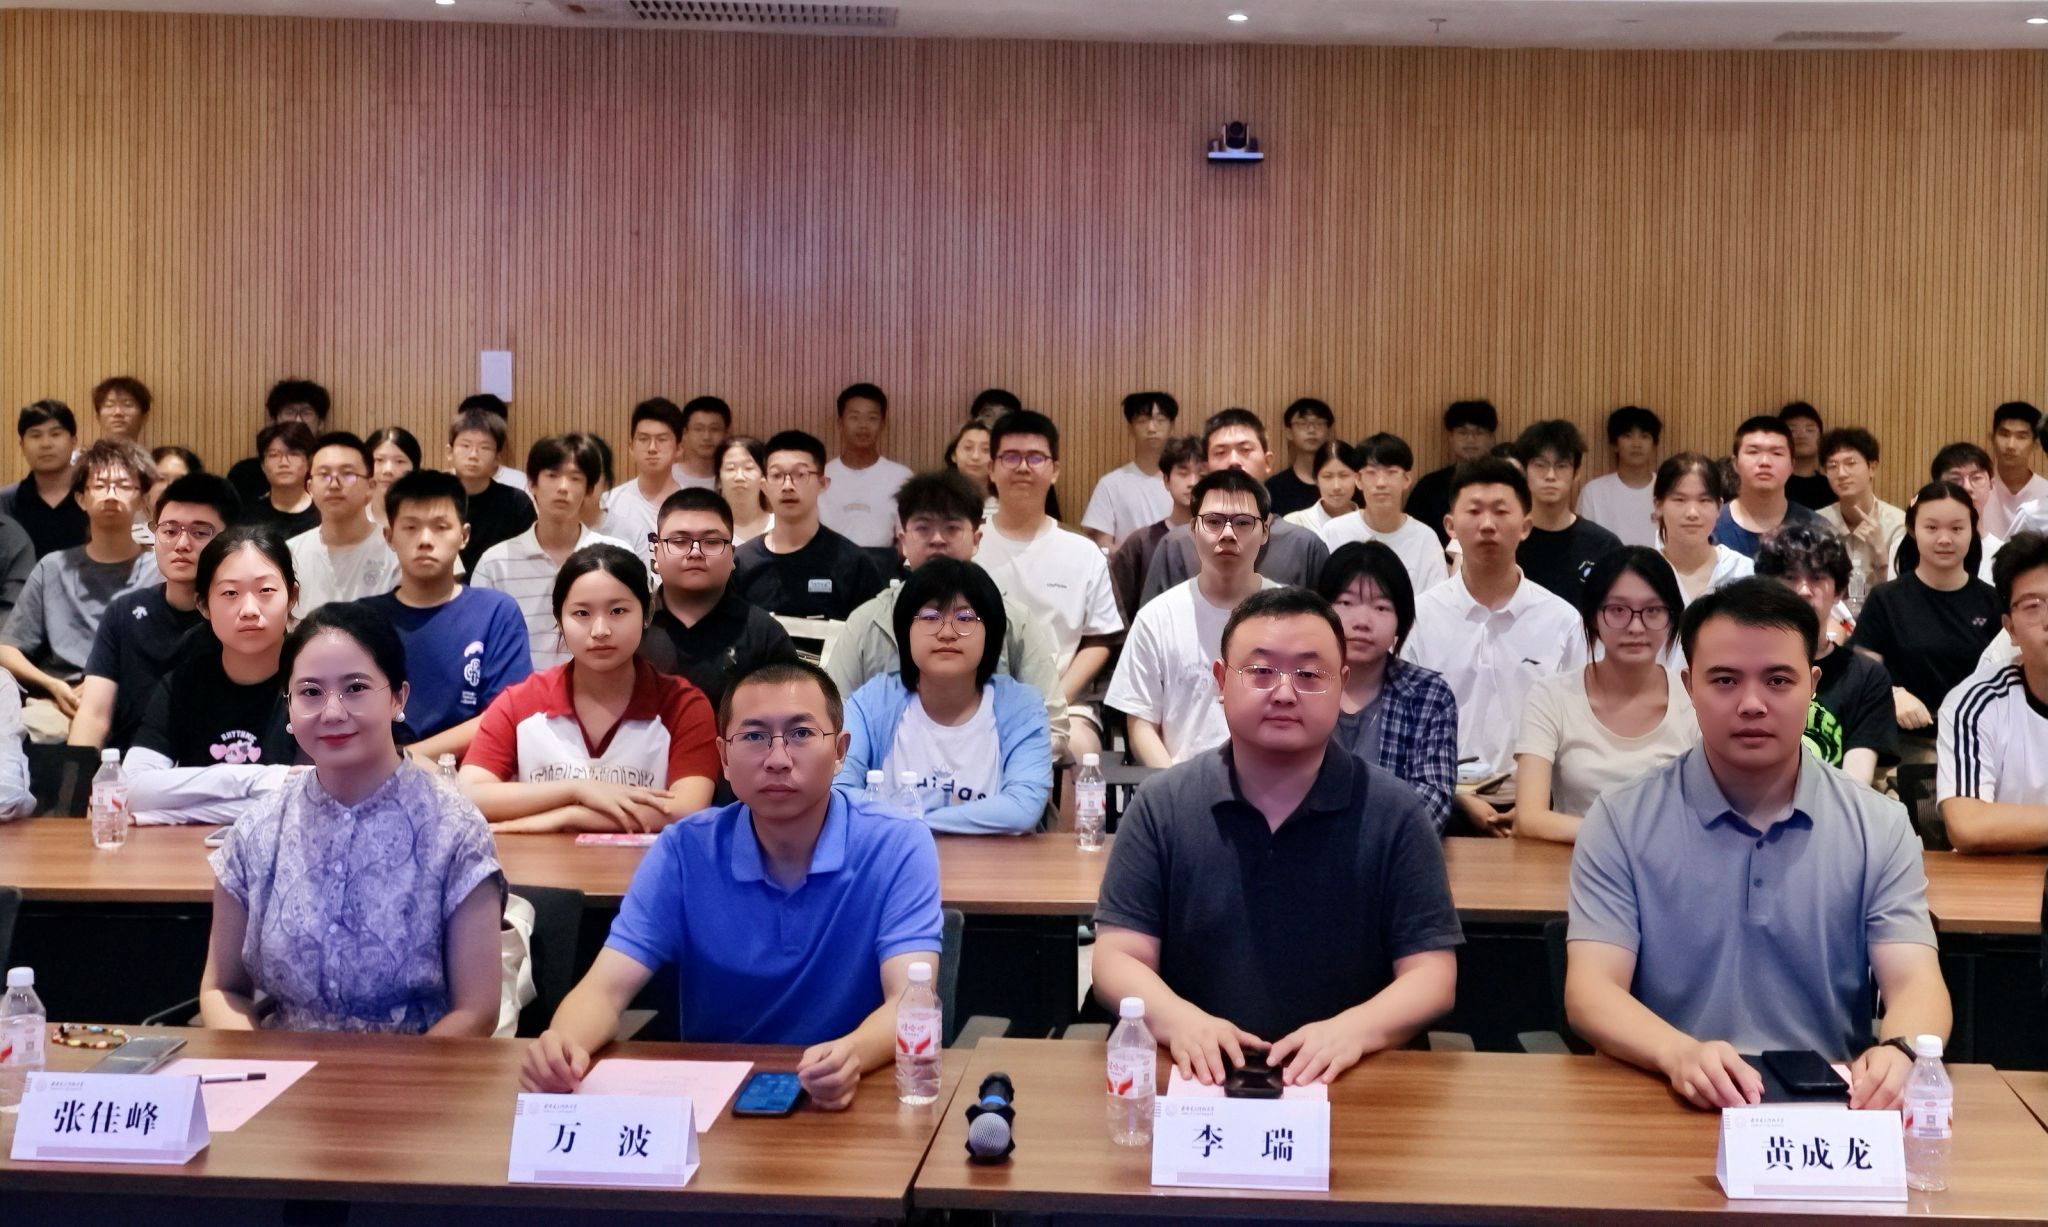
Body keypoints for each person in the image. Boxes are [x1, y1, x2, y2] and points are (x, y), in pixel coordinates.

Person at [1564, 578, 1950, 1110]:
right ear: (1689, 685)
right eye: (1724, 680)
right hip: (1667, 1095)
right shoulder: (1620, 820)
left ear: (1812, 686)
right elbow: (1591, 992)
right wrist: (1678, 1053)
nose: (1751, 704)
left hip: (1828, 1107)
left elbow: (1916, 982)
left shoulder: (1878, 824)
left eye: (1778, 680)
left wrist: (1900, 1052)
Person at [517, 660, 943, 1109]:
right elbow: (604, 991)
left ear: (840, 751)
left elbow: (911, 1000)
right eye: (754, 737)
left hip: (854, 1098)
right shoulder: (685, 851)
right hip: (715, 1106)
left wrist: (854, 1053)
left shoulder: (898, 843)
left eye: (801, 734)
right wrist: (563, 1045)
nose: (778, 759)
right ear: (723, 757)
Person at [1092, 587, 1461, 1085]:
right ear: (1221, 681)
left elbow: (1432, 975)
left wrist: (1353, 1031)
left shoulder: (1395, 813)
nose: (1284, 693)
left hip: (1349, 1081)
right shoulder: (1163, 806)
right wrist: (1180, 1022)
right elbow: (1117, 957)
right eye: (1261, 671)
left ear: (1341, 685)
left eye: (1309, 675)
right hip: (1196, 1080)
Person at [199, 600, 504, 1035]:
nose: (333, 712)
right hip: (282, 1068)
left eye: (356, 688)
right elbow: (222, 988)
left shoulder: (454, 830)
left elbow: (477, 1011)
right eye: (310, 692)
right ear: (289, 706)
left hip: (417, 1067)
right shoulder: (257, 831)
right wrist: (255, 1061)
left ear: (398, 697)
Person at [461, 544, 717, 831]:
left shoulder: (684, 706)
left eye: (618, 611)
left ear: (647, 613)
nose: (600, 630)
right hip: (536, 862)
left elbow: (687, 809)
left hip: (646, 862)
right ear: (559, 620)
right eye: (582, 613)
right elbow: (469, 793)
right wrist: (577, 789)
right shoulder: (520, 701)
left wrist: (570, 816)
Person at [1399, 457, 1583, 832]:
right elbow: (1406, 724)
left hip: (1537, 808)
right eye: (1474, 511)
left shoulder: (1561, 620)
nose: (1487, 524)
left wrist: (1534, 807)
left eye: (1501, 511)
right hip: (1440, 803)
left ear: (1526, 526)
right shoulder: (1419, 617)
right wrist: (1457, 799)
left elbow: (1576, 723)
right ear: (1450, 526)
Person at [826, 471, 1068, 754]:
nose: (938, 539)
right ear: (903, 539)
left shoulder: (1015, 619)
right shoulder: (866, 621)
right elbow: (833, 720)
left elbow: (1052, 726)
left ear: (976, 538)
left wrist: (992, 760)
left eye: (952, 528)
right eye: (923, 528)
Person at [837, 558, 1052, 833]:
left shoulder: (1021, 707)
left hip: (994, 859)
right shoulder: (872, 702)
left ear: (991, 633)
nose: (947, 633)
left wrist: (909, 822)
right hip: (894, 856)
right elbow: (840, 792)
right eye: (930, 618)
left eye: (965, 618)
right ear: (905, 631)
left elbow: (1022, 808)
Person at [118, 525, 301, 824]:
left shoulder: (321, 685)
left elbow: (311, 798)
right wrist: (260, 779)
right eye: (230, 593)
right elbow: (132, 790)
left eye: (265, 591)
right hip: (193, 850)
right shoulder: (182, 685)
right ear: (203, 605)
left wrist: (167, 814)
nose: (249, 609)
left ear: (292, 596)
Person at [1513, 548, 1696, 845]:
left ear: (1672, 618)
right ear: (1594, 617)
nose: (1635, 627)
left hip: (1669, 862)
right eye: (1618, 610)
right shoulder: (1551, 696)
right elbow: (1529, 818)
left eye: (1652, 611)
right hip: (1572, 859)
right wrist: (1625, 840)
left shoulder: (1694, 700)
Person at [973, 410, 1122, 765]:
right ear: (991, 469)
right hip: (972, 698)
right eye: (1011, 457)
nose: (1023, 467)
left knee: (1079, 748)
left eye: (1036, 458)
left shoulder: (1082, 551)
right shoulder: (969, 544)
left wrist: (1054, 700)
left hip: (1065, 701)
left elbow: (1099, 639)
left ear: (1054, 470)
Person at [359, 471, 533, 761]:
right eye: (411, 527)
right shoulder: (362, 620)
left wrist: (404, 759)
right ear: (389, 537)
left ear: (464, 536)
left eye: (440, 527)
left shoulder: (496, 612)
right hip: (375, 776)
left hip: (472, 775)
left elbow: (506, 716)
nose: (425, 540)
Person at [1109, 470, 1279, 766]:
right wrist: (1174, 785)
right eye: (1214, 521)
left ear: (1264, 530)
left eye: (1242, 523)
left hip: (1276, 782)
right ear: (1193, 529)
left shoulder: (1293, 614)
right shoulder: (1156, 618)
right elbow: (1140, 724)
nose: (1228, 534)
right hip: (1179, 781)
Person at [0, 440, 159, 741]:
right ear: (81, 498)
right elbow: (7, 648)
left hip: (138, 700)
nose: (111, 494)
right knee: (12, 736)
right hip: (64, 699)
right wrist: (51, 685)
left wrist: (107, 684)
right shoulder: (53, 567)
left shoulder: (161, 570)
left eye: (124, 485)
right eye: (100, 485)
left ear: (142, 499)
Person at [69, 473, 239, 752]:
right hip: (127, 766)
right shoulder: (123, 612)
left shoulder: (243, 616)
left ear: (230, 539)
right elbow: (94, 715)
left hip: (216, 764)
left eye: (199, 533)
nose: (181, 544)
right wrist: (76, 776)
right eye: (169, 531)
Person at [1315, 542, 1458, 831]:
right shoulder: (1294, 686)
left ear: (1400, 622)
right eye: (1346, 603)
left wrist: (1366, 840)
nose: (1362, 622)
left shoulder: (1429, 695)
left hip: (1390, 853)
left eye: (1381, 607)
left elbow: (1433, 799)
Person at [1851, 480, 2001, 744]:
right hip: (1904, 742)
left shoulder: (1993, 602)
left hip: (1978, 741)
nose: (1944, 539)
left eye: (1957, 528)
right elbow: (1860, 674)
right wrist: (1893, 694)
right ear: (1912, 530)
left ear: (1972, 530)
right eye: (1931, 528)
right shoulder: (1886, 600)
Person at [1753, 524, 1898, 786]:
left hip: (1835, 804)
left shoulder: (1866, 676)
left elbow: (1857, 780)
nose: (1804, 590)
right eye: (1790, 578)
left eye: (1816, 578)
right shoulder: (1740, 666)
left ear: (1839, 591)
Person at [1138, 408, 1331, 605]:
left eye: (1245, 450)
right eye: (1220, 452)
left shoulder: (1305, 545)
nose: (1234, 461)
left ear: (1267, 462)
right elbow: (1156, 617)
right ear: (1206, 467)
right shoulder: (1176, 545)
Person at [471, 434, 626, 669]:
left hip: (597, 686)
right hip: (518, 690)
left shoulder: (616, 556)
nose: (563, 487)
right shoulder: (494, 563)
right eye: (552, 476)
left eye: (575, 478)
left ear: (589, 489)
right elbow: (479, 642)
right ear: (532, 483)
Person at [638, 488, 799, 712]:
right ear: (656, 554)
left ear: (732, 555)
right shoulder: (631, 624)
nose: (695, 552)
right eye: (680, 541)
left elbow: (790, 716)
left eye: (711, 541)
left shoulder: (764, 635)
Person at [1938, 532, 2048, 852]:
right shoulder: (1974, 704)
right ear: (2010, 629)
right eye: (2033, 606)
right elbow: (1967, 824)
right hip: (2006, 875)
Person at [733, 429, 886, 620]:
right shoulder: (741, 563)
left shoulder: (854, 564)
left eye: (800, 474)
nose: (787, 486)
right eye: (777, 475)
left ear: (822, 483)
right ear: (763, 486)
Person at [1319, 432, 1448, 599]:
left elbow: (1435, 602)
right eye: (1371, 473)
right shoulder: (1334, 531)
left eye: (1391, 472)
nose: (1381, 483)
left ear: (1407, 479)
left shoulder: (1426, 538)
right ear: (1358, 480)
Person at [286, 432, 398, 618]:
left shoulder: (396, 552)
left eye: (348, 474)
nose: (334, 485)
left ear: (371, 487)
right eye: (324, 475)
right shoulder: (289, 555)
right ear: (310, 487)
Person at [1514, 419, 1623, 606]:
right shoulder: (1508, 541)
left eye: (1561, 466)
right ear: (1524, 471)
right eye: (1540, 465)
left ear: (1577, 472)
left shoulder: (1604, 545)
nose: (1550, 476)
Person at [817, 382, 913, 568]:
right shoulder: (821, 476)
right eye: (854, 417)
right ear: (840, 423)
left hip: (884, 568)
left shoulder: (901, 477)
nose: (863, 426)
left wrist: (883, 563)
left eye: (872, 418)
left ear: (883, 424)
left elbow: (910, 537)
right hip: (829, 567)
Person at [1109, 434, 1202, 623]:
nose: (1193, 481)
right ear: (1166, 480)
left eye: (1202, 474)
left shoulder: (1224, 540)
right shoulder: (1140, 543)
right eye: (1183, 473)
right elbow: (1117, 611)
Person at [1652, 452, 1753, 605]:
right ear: (1658, 505)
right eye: (1680, 500)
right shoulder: (1643, 573)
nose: (1692, 513)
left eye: (1704, 500)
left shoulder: (1739, 571)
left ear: (1719, 507)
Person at [446, 405, 536, 574]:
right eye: (465, 446)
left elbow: (528, 557)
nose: (473, 455)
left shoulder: (516, 502)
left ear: (497, 458)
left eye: (485, 448)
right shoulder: (434, 496)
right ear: (450, 453)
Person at [1082, 391, 1177, 549]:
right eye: (1142, 421)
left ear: (1172, 426)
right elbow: (1103, 544)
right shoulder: (1110, 484)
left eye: (1160, 420)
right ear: (1130, 428)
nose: (1151, 428)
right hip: (1128, 564)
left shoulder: (1188, 483)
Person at [1713, 416, 1818, 558]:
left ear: (1792, 465)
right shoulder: (1709, 527)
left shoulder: (1818, 530)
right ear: (1735, 463)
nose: (1765, 462)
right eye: (1753, 452)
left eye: (1776, 453)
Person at [1815, 427, 1906, 590]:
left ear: (1872, 468)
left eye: (1850, 463)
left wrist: (1880, 552)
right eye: (1832, 466)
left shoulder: (1898, 524)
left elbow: (1902, 593)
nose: (1841, 474)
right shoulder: (1817, 523)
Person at [1406, 399, 1498, 548]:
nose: (1470, 439)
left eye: (1479, 433)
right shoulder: (1429, 487)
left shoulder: (1506, 484)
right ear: (1450, 437)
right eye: (1463, 432)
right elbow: (1412, 535)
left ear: (1492, 438)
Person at [5, 400, 87, 558]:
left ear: (73, 441)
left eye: (55, 434)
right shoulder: (5, 504)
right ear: (22, 446)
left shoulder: (95, 497)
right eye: (35, 435)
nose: (46, 444)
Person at [226, 379, 328, 504]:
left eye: (306, 413)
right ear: (274, 420)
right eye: (289, 412)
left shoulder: (329, 472)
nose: (298, 420)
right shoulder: (245, 474)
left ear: (321, 423)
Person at [1574, 406, 1662, 549]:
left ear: (1654, 445)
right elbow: (1582, 545)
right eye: (1627, 436)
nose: (1636, 444)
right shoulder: (1594, 492)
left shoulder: (1668, 490)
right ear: (1614, 444)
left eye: (1644, 436)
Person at [1932, 441, 2007, 581]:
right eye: (1955, 479)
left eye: (1976, 478)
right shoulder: (1913, 547)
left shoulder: (2005, 555)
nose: (1967, 487)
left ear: (1992, 484)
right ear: (1937, 486)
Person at [235, 421, 319, 539]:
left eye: (293, 454)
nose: (284, 463)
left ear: (308, 463)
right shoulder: (248, 518)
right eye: (274, 455)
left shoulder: (324, 514)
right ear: (263, 466)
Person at [1982, 401, 2048, 540]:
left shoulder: (2045, 492)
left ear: (2036, 444)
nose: (2011, 445)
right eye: (2004, 434)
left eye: (2021, 437)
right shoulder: (1977, 488)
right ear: (1992, 438)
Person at [1264, 397, 1339, 519]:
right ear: (1289, 432)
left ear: (1329, 432)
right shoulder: (1274, 488)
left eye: (1319, 423)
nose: (1312, 430)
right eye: (1303, 424)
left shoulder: (1344, 485)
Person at [1282, 440, 1359, 533]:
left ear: (1357, 478)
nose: (1336, 486)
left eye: (1344, 475)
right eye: (1327, 476)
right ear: (1316, 479)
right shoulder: (1295, 523)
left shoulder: (1369, 524)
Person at [1777, 401, 1837, 511]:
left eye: (1810, 430)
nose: (1801, 435)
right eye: (1792, 430)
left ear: (1821, 439)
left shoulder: (1832, 487)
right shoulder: (1773, 484)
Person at [716, 434, 772, 544]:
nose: (739, 477)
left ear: (763, 476)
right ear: (718, 480)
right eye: (730, 468)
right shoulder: (708, 530)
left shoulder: (782, 527)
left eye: (748, 468)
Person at [365, 426, 421, 527]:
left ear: (415, 469)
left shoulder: (429, 520)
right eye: (379, 460)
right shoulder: (351, 521)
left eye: (400, 461)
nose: (388, 470)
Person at [674, 395, 728, 490]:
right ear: (685, 434)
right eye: (698, 429)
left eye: (714, 429)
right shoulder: (666, 476)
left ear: (726, 434)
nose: (706, 437)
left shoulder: (733, 479)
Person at [945, 420, 995, 521]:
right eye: (968, 448)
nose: (975, 456)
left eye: (985, 450)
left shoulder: (1005, 501)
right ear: (953, 455)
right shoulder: (938, 498)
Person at [90, 375, 152, 446]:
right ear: (98, 417)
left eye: (128, 405)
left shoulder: (157, 454)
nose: (118, 412)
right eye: (109, 405)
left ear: (144, 417)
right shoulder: (85, 454)